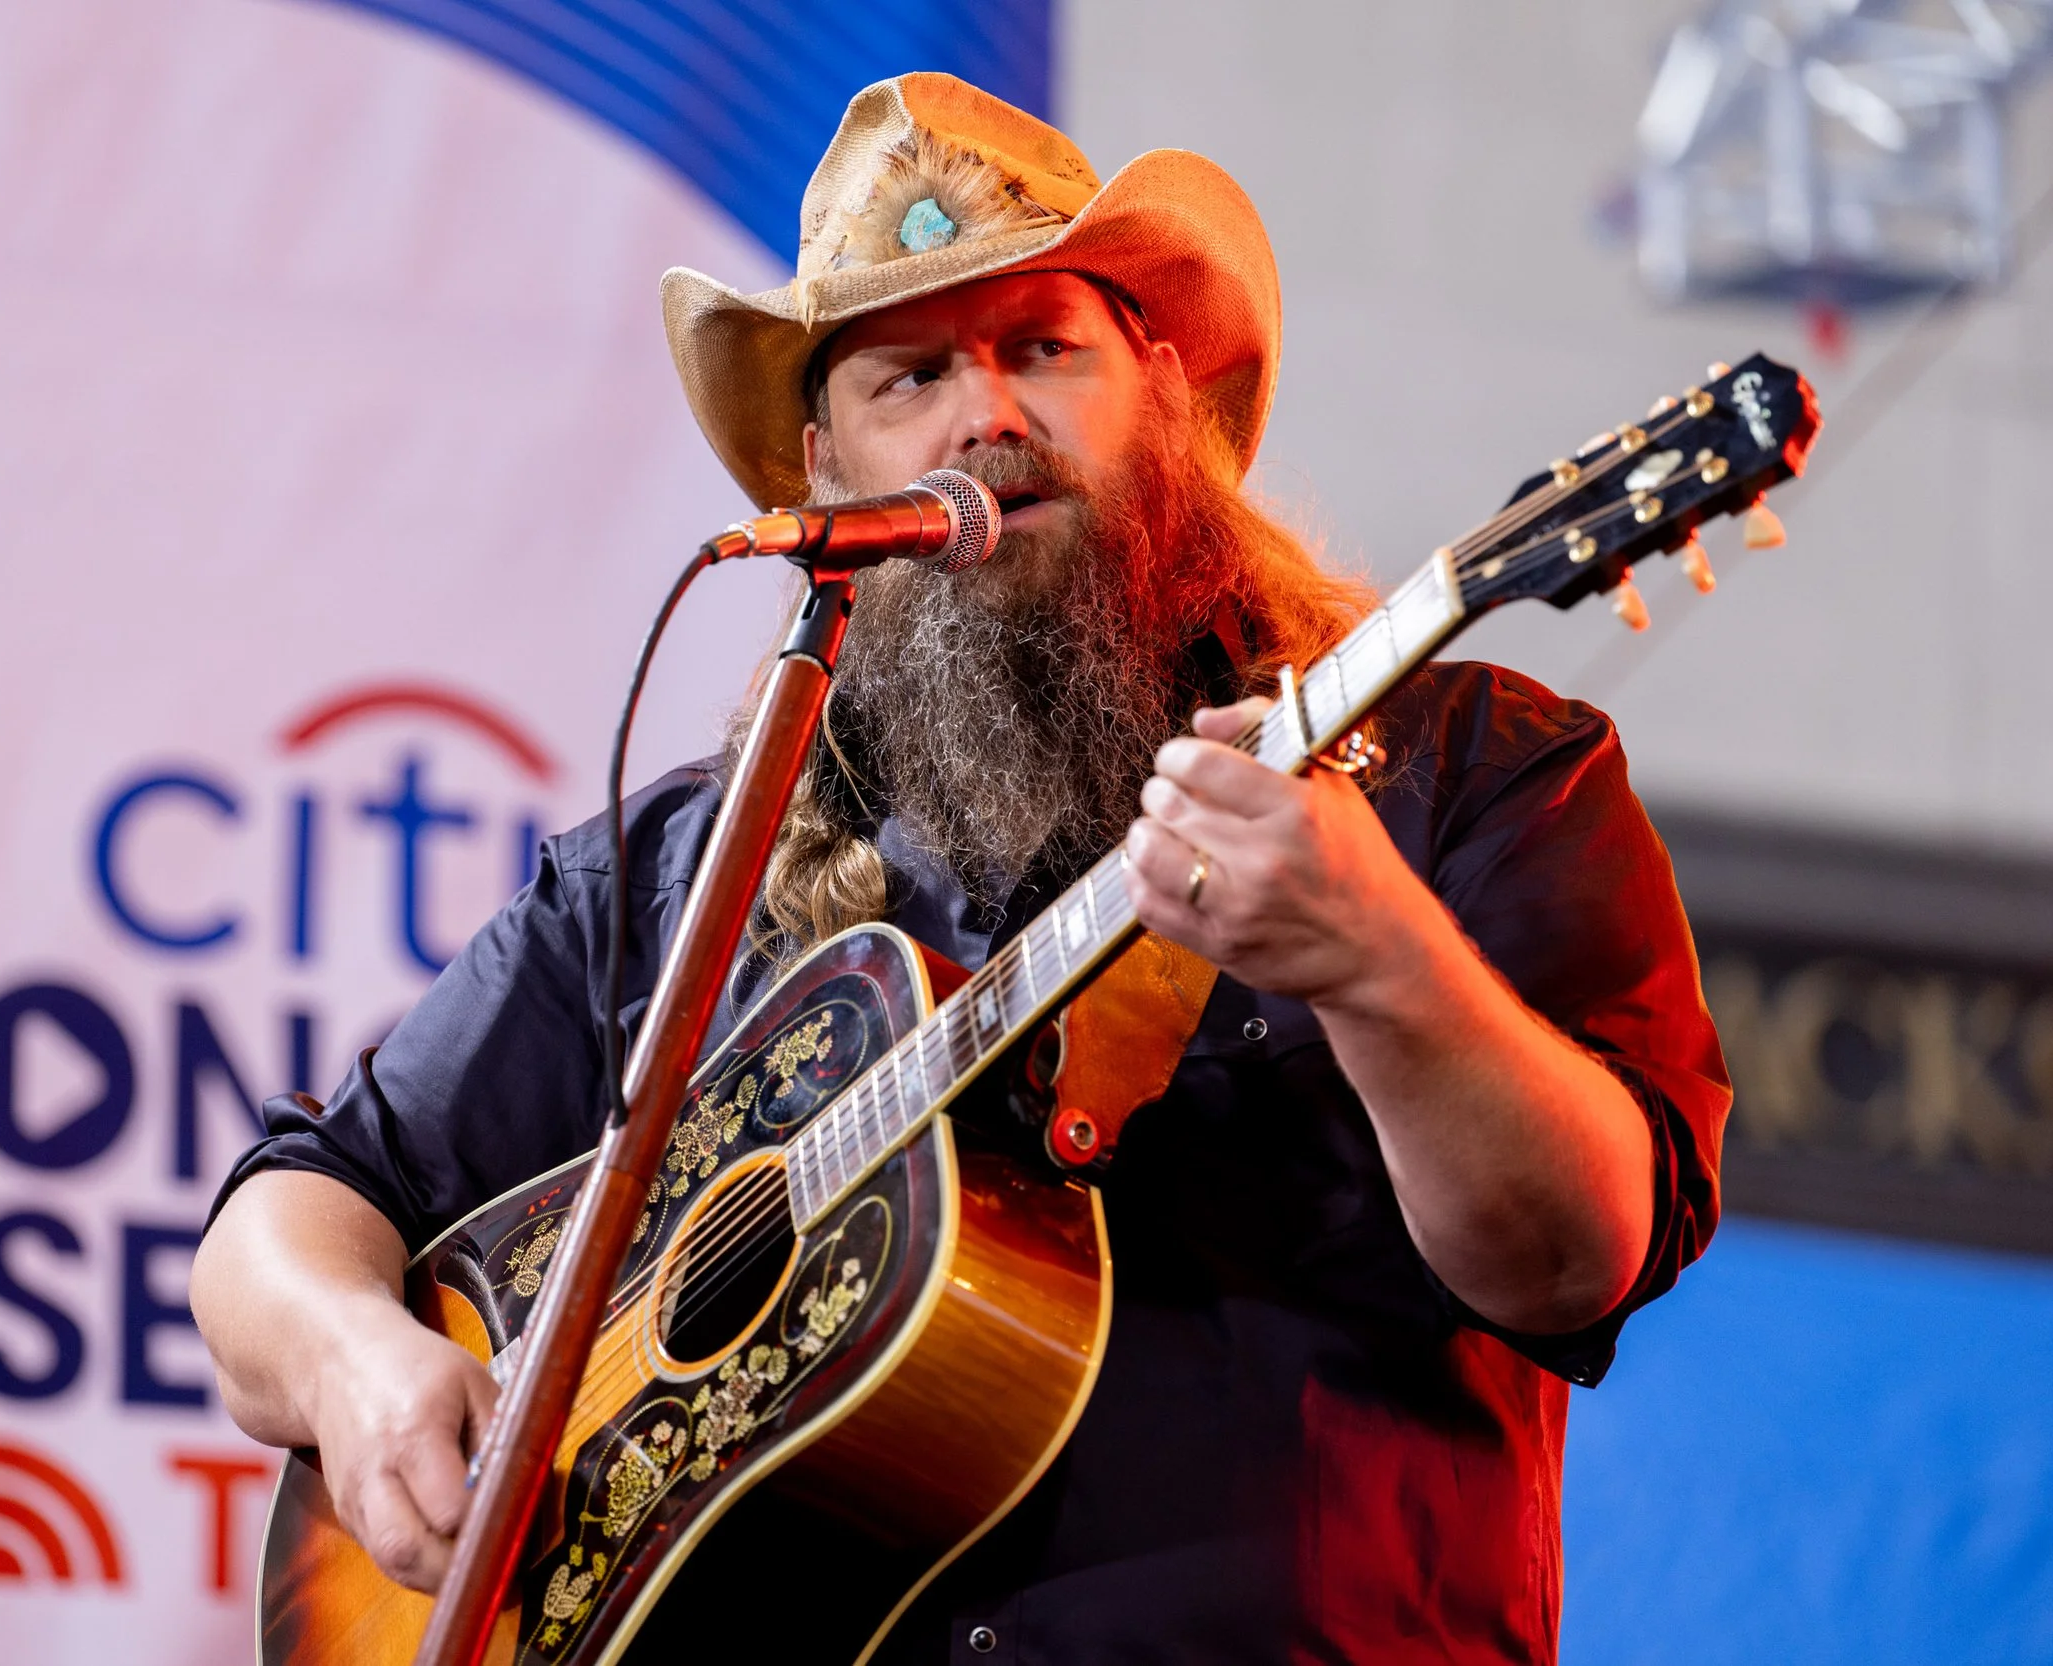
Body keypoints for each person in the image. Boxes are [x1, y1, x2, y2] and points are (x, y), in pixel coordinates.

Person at [191, 73, 1726, 1664]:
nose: (984, 415)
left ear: (1165, 385)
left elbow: (1576, 1254)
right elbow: (292, 1215)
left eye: (1041, 348)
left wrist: (1379, 959)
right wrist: (358, 1363)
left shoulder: (1462, 772)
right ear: (823, 472)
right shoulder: (680, 871)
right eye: (911, 375)